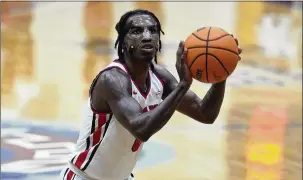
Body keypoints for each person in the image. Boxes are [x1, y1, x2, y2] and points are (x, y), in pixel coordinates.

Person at [60, 9, 242, 180]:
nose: (147, 36)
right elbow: (142, 130)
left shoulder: (159, 77)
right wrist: (183, 85)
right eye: (137, 31)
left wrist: (221, 73)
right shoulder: (112, 80)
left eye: (153, 31)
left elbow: (205, 113)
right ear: (123, 41)